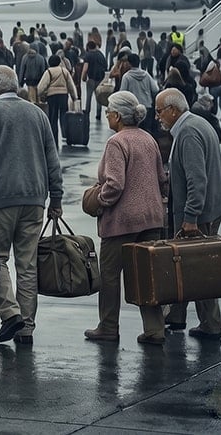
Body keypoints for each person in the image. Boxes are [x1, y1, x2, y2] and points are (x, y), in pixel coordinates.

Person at [0, 65, 63, 346]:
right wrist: (55, 198)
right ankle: (26, 328)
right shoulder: (37, 113)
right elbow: (52, 160)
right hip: (34, 200)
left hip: (0, 200)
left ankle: (10, 314)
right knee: (27, 264)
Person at [84, 91, 169, 345]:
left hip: (122, 221)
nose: (108, 115)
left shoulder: (117, 142)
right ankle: (155, 329)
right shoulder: (148, 139)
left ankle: (108, 327)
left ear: (118, 116)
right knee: (146, 274)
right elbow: (162, 179)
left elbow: (115, 184)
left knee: (110, 276)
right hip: (152, 218)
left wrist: (98, 201)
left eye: (109, 112)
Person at [155, 88, 221, 339]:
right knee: (187, 264)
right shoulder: (198, 124)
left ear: (173, 110)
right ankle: (177, 315)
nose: (157, 117)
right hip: (211, 207)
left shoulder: (187, 133)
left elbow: (197, 179)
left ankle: (210, 324)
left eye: (160, 111)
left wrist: (190, 217)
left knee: (200, 269)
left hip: (202, 212)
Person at [37, 54, 79, 145]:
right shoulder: (64, 71)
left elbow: (41, 86)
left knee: (53, 118)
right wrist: (74, 97)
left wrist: (40, 94)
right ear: (59, 62)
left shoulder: (49, 72)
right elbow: (71, 85)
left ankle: (54, 140)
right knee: (64, 117)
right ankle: (68, 137)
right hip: (63, 95)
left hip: (52, 97)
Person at [81, 41, 108, 120]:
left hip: (91, 79)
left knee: (89, 96)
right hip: (100, 79)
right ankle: (98, 113)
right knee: (98, 96)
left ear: (88, 47)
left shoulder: (88, 55)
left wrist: (83, 77)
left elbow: (85, 68)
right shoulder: (100, 54)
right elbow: (105, 65)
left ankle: (87, 112)